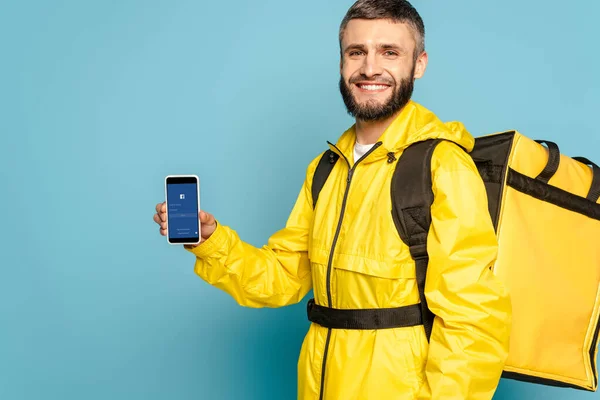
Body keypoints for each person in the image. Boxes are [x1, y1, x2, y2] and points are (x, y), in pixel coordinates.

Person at [153, 0, 512, 398]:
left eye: (390, 52)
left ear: (419, 64)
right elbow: (282, 280)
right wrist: (211, 241)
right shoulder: (325, 169)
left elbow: (473, 320)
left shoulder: (442, 166)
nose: (370, 68)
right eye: (356, 52)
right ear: (342, 62)